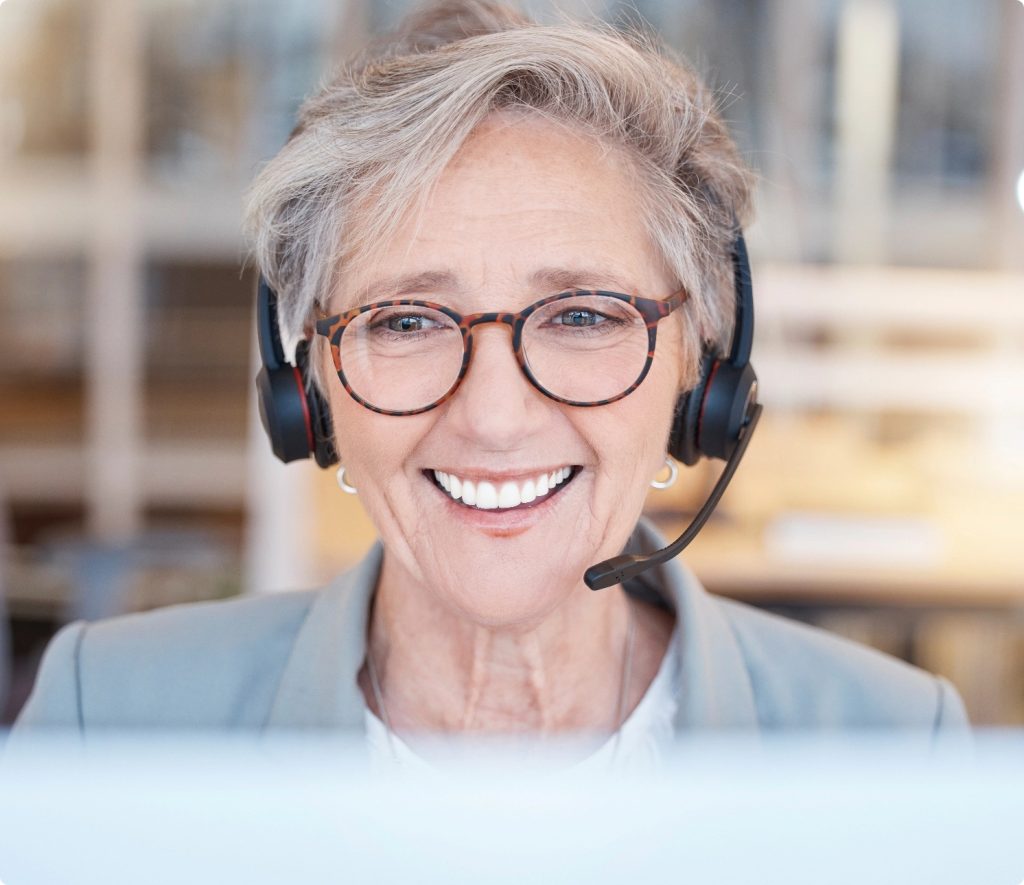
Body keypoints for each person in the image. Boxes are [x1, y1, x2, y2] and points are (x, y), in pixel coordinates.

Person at [9, 0, 967, 767]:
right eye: (408, 321)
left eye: (584, 315)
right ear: (312, 393)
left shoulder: (897, 745)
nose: (497, 419)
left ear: (700, 368)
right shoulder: (110, 718)